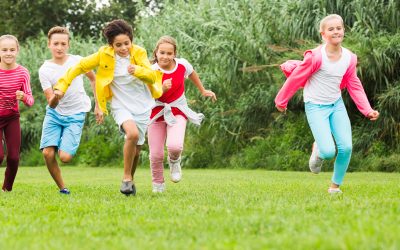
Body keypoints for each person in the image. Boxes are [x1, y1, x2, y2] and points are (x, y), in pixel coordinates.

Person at [53, 19, 163, 196]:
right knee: (132, 134)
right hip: (120, 105)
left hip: (142, 104)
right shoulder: (103, 55)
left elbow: (152, 76)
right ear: (111, 44)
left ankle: (130, 181)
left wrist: (138, 70)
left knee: (137, 148)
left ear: (131, 41)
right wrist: (62, 86)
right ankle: (126, 178)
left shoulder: (139, 53)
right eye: (118, 45)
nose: (123, 48)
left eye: (126, 43)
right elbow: (79, 67)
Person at [275, 14, 380, 194]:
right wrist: (281, 101)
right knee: (329, 151)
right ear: (323, 34)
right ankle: (318, 149)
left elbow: (353, 84)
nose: (335, 31)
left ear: (343, 31)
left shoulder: (349, 58)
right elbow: (296, 78)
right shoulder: (315, 57)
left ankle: (334, 188)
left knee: (346, 147)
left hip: (336, 104)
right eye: (330, 29)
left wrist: (367, 110)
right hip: (315, 106)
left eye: (338, 28)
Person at [148, 36, 217, 193]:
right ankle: (158, 184)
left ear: (174, 54)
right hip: (156, 112)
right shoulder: (151, 71)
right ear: (156, 53)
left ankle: (174, 161)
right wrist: (162, 89)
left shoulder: (182, 65)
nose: (165, 56)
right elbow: (147, 95)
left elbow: (192, 73)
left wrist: (203, 90)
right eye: (162, 52)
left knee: (174, 146)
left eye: (169, 53)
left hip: (178, 110)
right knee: (156, 154)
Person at [38, 26, 99, 195]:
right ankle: (63, 188)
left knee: (65, 157)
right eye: (56, 43)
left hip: (76, 113)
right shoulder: (44, 70)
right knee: (48, 153)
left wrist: (98, 105)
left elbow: (94, 79)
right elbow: (51, 103)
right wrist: (57, 96)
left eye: (63, 43)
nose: (59, 47)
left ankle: (65, 141)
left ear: (68, 45)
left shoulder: (77, 61)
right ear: (49, 44)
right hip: (54, 114)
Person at [0, 35, 34, 192]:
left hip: (12, 118)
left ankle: (7, 189)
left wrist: (24, 97)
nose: (8, 53)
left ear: (17, 51)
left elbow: (31, 100)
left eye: (12, 49)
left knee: (13, 157)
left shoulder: (23, 73)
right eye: (4, 49)